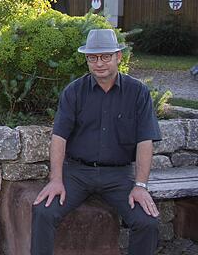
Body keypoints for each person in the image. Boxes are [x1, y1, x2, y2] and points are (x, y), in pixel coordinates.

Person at [31, 29, 161, 255]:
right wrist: (56, 179)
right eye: (92, 58)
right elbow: (59, 137)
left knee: (147, 221)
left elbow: (145, 140)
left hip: (119, 176)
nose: (99, 63)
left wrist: (140, 186)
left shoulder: (137, 92)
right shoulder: (74, 92)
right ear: (87, 60)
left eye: (105, 56)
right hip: (77, 173)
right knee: (43, 211)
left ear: (118, 57)